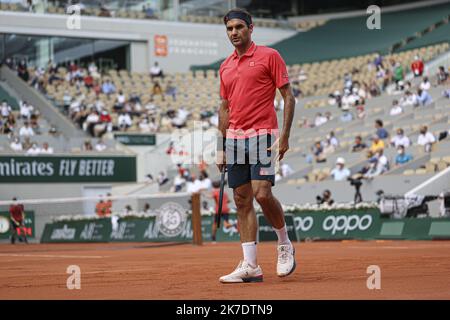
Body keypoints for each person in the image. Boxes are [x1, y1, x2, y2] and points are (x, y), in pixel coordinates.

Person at [217, 8, 296, 283]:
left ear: (251, 28)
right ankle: (251, 266)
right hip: (235, 139)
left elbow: (288, 97)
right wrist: (221, 145)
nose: (234, 32)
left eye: (239, 27)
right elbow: (225, 107)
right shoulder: (225, 66)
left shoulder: (269, 56)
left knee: (262, 193)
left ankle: (284, 242)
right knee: (241, 200)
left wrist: (284, 136)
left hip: (263, 135)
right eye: (229, 29)